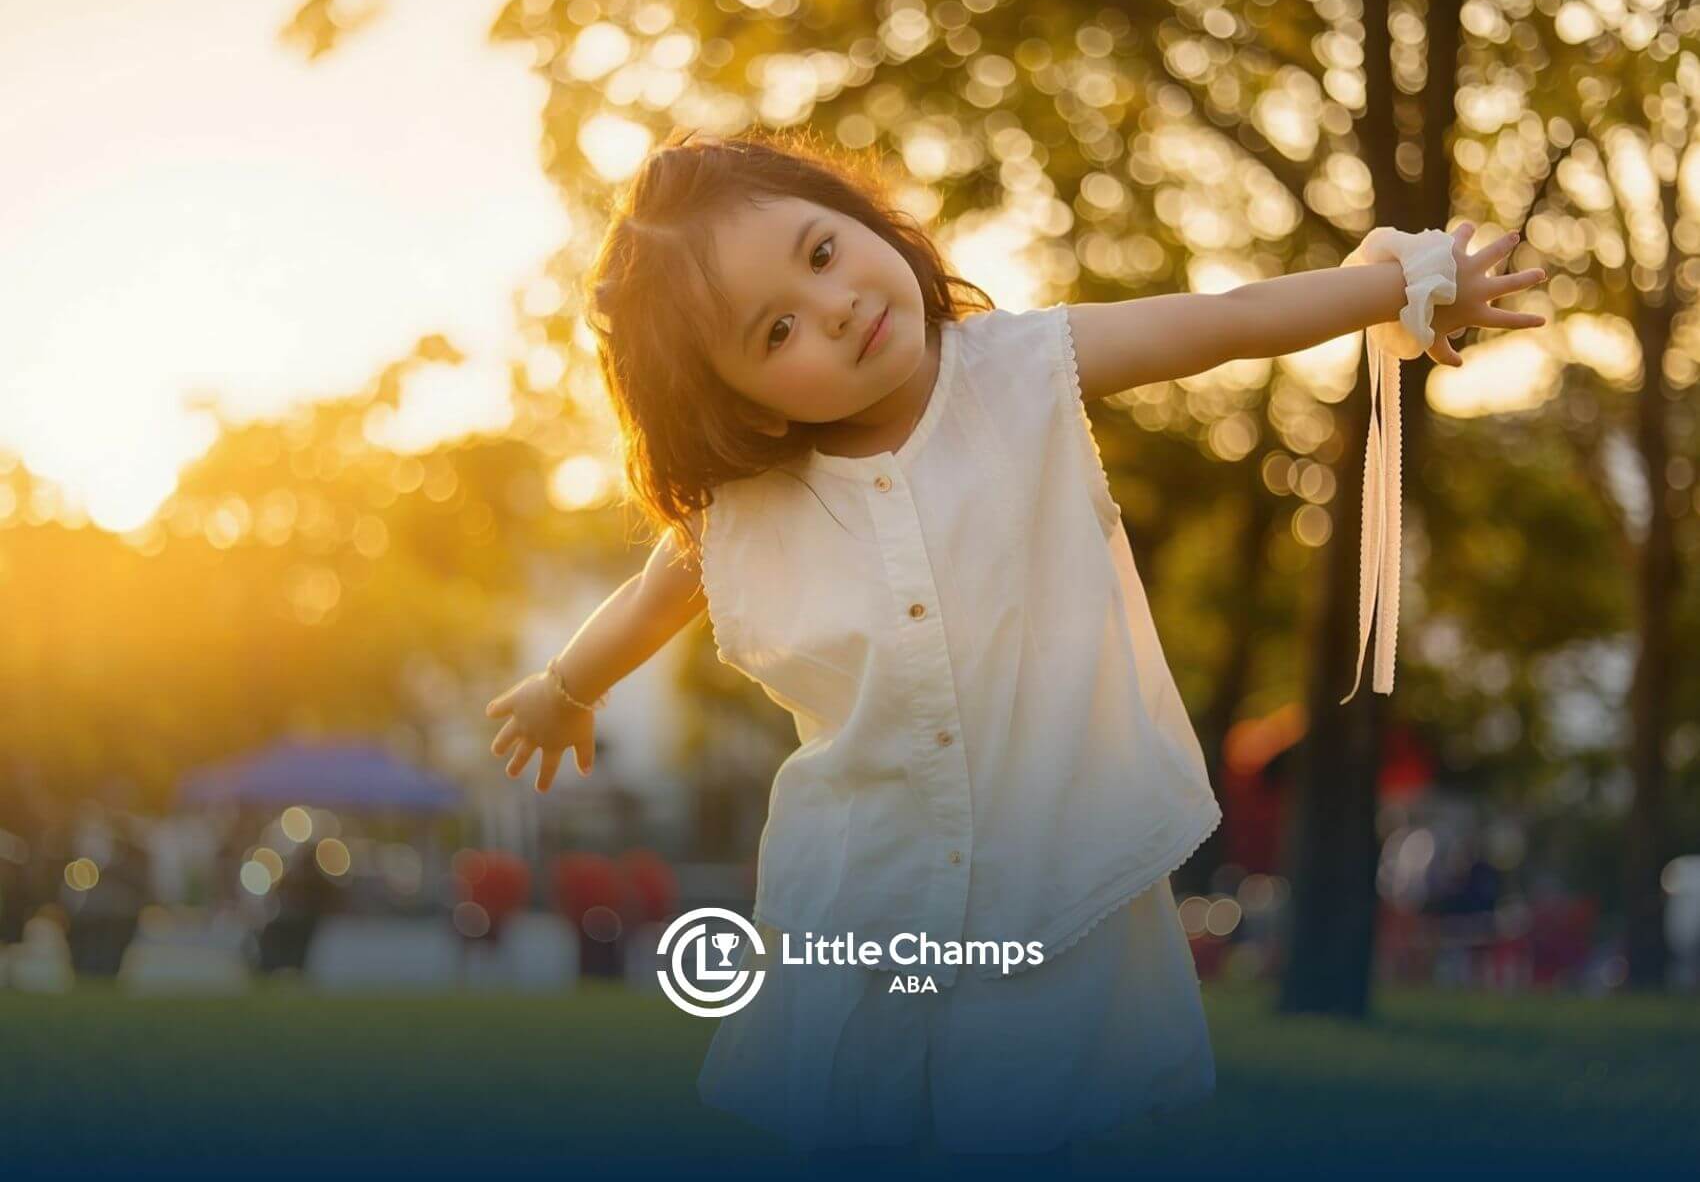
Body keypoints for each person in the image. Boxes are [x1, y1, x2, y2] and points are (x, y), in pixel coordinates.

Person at [482, 129, 1546, 1169]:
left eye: (821, 252)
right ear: (743, 408)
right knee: (863, 1130)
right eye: (774, 333)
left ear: (862, 220)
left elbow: (1228, 321)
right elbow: (648, 596)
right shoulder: (748, 507)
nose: (837, 304)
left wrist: (1396, 287)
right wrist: (566, 686)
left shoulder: (1024, 368)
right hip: (869, 889)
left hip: (1050, 871)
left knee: (1024, 1128)